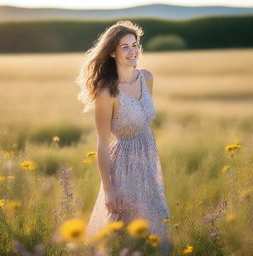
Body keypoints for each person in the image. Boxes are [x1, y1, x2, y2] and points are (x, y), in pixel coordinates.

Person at [76, 20, 171, 256]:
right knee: (123, 234)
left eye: (135, 45)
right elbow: (101, 141)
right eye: (125, 47)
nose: (133, 51)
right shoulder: (107, 91)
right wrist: (109, 189)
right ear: (112, 52)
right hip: (123, 169)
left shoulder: (147, 78)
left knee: (157, 226)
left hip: (148, 164)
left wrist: (150, 157)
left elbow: (144, 121)